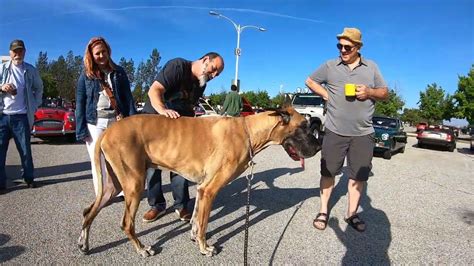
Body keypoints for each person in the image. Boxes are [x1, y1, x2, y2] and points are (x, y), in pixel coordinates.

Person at [305, 27, 388, 232]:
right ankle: (323, 211)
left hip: (363, 133)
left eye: (347, 47)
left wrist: (369, 92)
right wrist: (325, 94)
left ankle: (352, 214)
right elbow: (309, 81)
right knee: (328, 172)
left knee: (357, 177)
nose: (342, 50)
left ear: (358, 47)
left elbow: (384, 93)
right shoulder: (330, 65)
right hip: (334, 130)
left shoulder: (372, 67)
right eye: (339, 46)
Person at [141, 52, 224, 223]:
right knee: (153, 166)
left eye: (218, 74)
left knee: (182, 163)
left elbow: (189, 109)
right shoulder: (178, 66)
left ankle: (181, 205)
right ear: (205, 60)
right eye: (214, 69)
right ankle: (156, 205)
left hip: (178, 128)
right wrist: (163, 111)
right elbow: (154, 91)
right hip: (156, 121)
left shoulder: (201, 84)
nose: (214, 75)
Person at [76, 37, 136, 196]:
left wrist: (133, 122)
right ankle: (101, 192)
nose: (101, 56)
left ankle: (122, 189)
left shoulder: (119, 72)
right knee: (98, 159)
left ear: (108, 51)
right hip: (94, 122)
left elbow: (127, 98)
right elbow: (80, 103)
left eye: (104, 52)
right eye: (97, 53)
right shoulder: (86, 75)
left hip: (116, 120)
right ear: (91, 55)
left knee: (120, 157)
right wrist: (81, 130)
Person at [0, 39, 43, 190]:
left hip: (21, 116)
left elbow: (39, 89)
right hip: (3, 116)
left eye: (20, 50)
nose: (17, 54)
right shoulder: (2, 68)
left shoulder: (30, 70)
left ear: (24, 52)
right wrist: (2, 87)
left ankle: (29, 178)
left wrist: (35, 104)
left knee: (25, 150)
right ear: (10, 53)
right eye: (14, 51)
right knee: (0, 151)